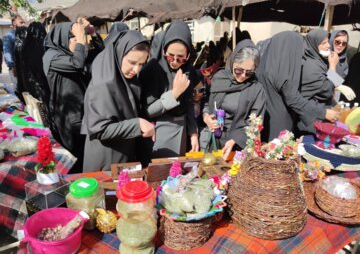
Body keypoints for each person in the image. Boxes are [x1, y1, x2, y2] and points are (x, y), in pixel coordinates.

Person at [81, 30, 154, 172]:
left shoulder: (125, 79)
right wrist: (137, 124)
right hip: (107, 158)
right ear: (119, 54)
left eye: (141, 64)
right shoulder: (104, 83)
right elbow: (99, 129)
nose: (136, 70)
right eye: (132, 62)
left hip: (123, 154)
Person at [256, 31, 339, 141]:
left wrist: (335, 75)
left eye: (328, 41)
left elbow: (335, 83)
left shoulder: (319, 61)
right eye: (323, 43)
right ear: (314, 44)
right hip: (303, 122)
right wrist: (333, 67)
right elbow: (327, 91)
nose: (328, 45)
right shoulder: (309, 66)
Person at [140, 20, 199, 161]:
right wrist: (174, 94)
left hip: (182, 131)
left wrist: (193, 133)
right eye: (170, 56)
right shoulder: (152, 70)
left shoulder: (188, 69)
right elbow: (147, 111)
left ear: (188, 55)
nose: (174, 62)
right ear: (163, 50)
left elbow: (189, 103)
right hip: (159, 133)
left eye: (181, 58)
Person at [201, 39, 265, 160]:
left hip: (238, 146)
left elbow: (255, 123)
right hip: (214, 141)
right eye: (239, 70)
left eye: (249, 73)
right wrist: (206, 118)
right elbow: (206, 104)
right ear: (232, 62)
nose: (243, 76)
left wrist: (234, 140)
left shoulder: (256, 89)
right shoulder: (219, 78)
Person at [43, 21, 88, 173]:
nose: (80, 43)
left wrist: (90, 36)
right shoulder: (52, 56)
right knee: (76, 156)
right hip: (69, 117)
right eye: (75, 39)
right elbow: (78, 64)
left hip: (78, 113)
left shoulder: (63, 54)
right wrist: (81, 40)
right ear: (64, 39)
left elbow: (87, 57)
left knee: (82, 154)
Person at [3, 14, 25, 91]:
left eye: (23, 22)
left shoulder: (24, 34)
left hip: (25, 67)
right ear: (14, 23)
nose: (23, 24)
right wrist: (13, 66)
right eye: (21, 22)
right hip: (15, 68)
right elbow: (7, 52)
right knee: (18, 89)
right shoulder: (9, 35)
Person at [329, 30, 350, 101]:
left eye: (344, 43)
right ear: (332, 40)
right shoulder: (324, 57)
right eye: (337, 42)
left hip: (335, 99)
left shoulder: (344, 61)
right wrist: (339, 85)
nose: (340, 45)